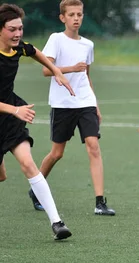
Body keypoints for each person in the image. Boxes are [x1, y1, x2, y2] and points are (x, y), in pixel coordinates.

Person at [28, 0, 115, 216]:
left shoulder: (88, 44)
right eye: (72, 14)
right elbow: (47, 71)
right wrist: (71, 68)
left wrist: (96, 104)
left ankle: (99, 202)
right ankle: (35, 189)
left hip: (85, 102)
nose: (76, 18)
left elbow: (87, 76)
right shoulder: (56, 39)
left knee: (93, 147)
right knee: (57, 153)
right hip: (62, 104)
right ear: (62, 17)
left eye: (80, 14)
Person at [0, 3, 75, 240]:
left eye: (20, 28)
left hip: (11, 116)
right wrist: (15, 110)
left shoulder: (18, 48)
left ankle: (57, 223)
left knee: (28, 164)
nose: (18, 34)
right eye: (12, 29)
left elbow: (34, 51)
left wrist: (56, 71)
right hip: (11, 110)